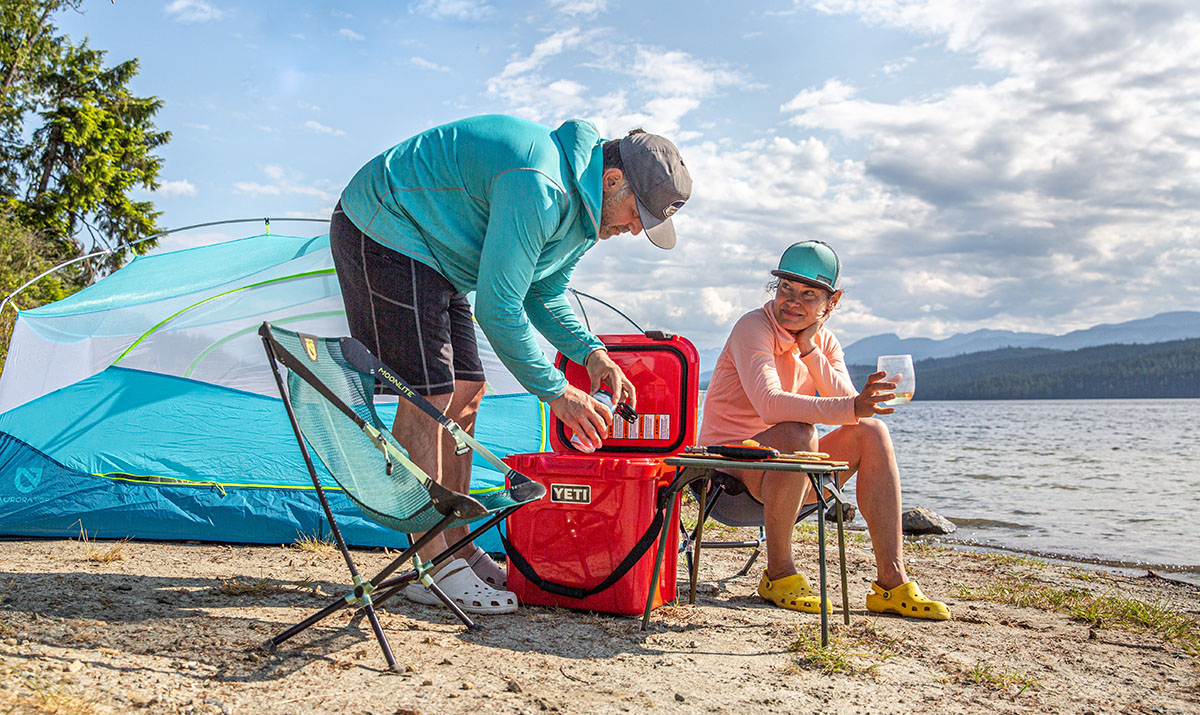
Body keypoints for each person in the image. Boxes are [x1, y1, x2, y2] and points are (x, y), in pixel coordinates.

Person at [330, 114, 692, 614]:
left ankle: (453, 543)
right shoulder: (540, 187)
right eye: (638, 215)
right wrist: (558, 392)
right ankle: (430, 562)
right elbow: (499, 308)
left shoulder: (586, 217)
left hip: (441, 257)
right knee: (429, 393)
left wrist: (593, 354)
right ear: (613, 180)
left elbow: (543, 294)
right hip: (386, 222)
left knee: (466, 391)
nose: (635, 230)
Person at [698, 240, 949, 620]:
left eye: (809, 294)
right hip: (726, 478)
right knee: (798, 432)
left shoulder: (823, 342)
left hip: (789, 481)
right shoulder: (753, 327)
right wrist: (851, 406)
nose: (792, 301)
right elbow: (770, 402)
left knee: (873, 432)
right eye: (786, 288)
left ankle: (891, 584)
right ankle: (779, 574)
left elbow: (852, 410)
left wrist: (809, 348)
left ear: (832, 302)